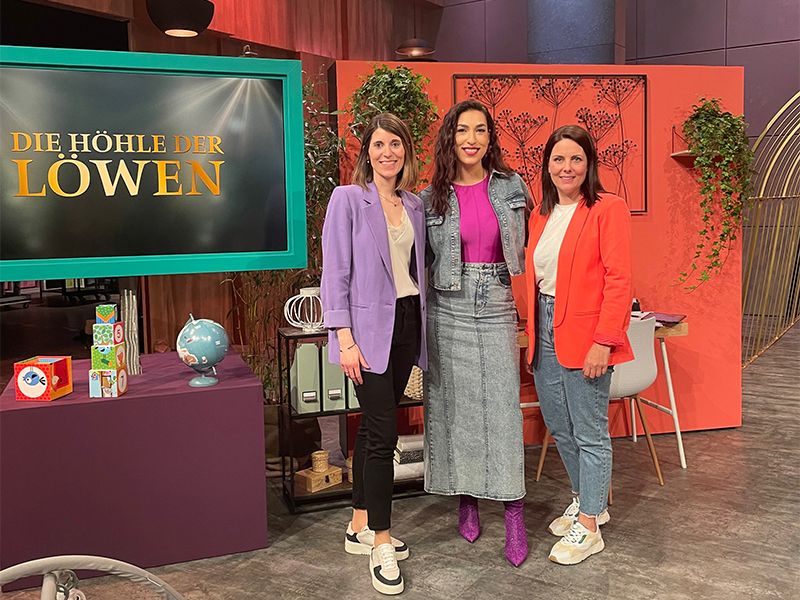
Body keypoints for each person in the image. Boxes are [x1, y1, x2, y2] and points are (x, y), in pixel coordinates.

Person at [321, 113, 427, 595]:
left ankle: (359, 525)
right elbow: (334, 273)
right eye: (379, 144)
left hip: (406, 325)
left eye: (396, 144)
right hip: (364, 333)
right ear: (367, 152)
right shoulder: (347, 200)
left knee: (372, 431)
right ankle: (381, 541)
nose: (388, 152)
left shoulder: (415, 205)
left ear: (406, 150)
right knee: (383, 433)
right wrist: (342, 337)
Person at [421, 99, 530, 567]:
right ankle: (466, 500)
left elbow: (525, 245)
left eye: (480, 130)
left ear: (490, 138)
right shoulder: (431, 196)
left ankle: (513, 512)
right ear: (451, 137)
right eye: (463, 130)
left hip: (497, 300)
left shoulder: (511, 185)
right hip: (447, 305)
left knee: (502, 410)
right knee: (453, 407)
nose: (471, 138)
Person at [524, 124, 633, 565]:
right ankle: (585, 499)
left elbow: (619, 278)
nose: (566, 167)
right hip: (545, 330)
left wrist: (604, 341)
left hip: (587, 334)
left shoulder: (608, 208)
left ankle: (589, 525)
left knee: (589, 430)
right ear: (547, 166)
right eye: (558, 159)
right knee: (560, 424)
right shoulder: (541, 215)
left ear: (589, 165)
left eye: (575, 159)